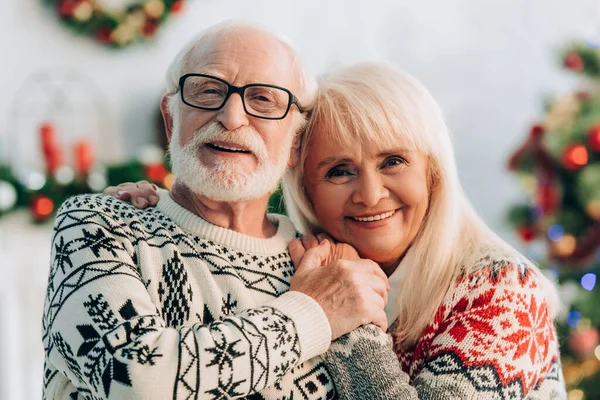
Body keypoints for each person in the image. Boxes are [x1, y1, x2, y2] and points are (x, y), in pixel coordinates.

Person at [110, 63, 567, 398]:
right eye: (339, 171)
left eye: (393, 162)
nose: (369, 194)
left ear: (433, 171)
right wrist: (160, 209)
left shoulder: (501, 291)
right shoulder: (299, 261)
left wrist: (346, 317)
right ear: (305, 187)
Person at [42, 21, 392, 400]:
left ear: (296, 142)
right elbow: (134, 380)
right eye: (208, 91)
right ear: (171, 119)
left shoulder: (323, 264)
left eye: (263, 99)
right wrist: (313, 313)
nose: (232, 117)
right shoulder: (101, 224)